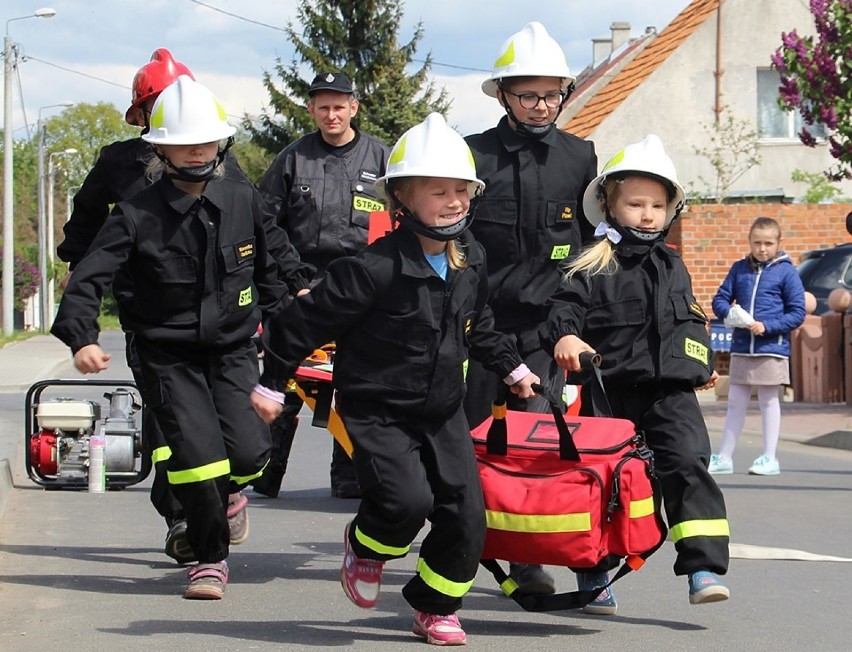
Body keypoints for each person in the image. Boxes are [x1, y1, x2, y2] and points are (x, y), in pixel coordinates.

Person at [251, 113, 539, 646]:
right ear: (402, 201)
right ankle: (366, 546)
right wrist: (271, 384)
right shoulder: (372, 269)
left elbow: (480, 326)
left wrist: (514, 368)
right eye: (439, 192)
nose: (454, 202)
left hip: (441, 409)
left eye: (462, 191)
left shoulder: (470, 258)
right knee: (406, 503)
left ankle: (436, 607)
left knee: (467, 512)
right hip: (377, 408)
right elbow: (300, 323)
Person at [55, 49, 309, 565]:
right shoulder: (123, 186)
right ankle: (196, 536)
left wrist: (301, 299)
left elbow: (268, 250)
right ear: (148, 123)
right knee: (185, 444)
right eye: (161, 111)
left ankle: (217, 498)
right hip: (160, 332)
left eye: (204, 141)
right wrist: (83, 321)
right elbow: (85, 249)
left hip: (229, 336)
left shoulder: (232, 184)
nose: (195, 152)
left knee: (241, 449)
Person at [544, 134, 731, 609]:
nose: (647, 214)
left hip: (669, 394)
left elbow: (690, 321)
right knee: (600, 484)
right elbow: (562, 310)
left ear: (671, 211)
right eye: (635, 204)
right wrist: (565, 336)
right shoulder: (589, 262)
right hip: (606, 394)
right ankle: (592, 571)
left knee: (688, 462)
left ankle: (702, 567)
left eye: (657, 205)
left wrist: (702, 363)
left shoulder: (674, 264)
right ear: (610, 206)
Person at [463, 21, 597, 600]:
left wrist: (573, 328)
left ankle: (523, 554)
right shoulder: (472, 156)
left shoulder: (581, 158)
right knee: (468, 438)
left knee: (535, 440)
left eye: (553, 94)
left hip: (546, 328)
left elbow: (594, 255)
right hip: (475, 328)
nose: (542, 106)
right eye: (528, 94)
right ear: (503, 95)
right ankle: (465, 536)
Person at [255, 71, 390, 499]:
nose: (331, 114)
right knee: (286, 380)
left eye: (339, 105)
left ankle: (348, 475)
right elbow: (265, 225)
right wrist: (293, 283)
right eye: (323, 106)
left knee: (353, 381)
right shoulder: (292, 159)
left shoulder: (381, 159)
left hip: (360, 288)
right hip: (300, 285)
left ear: (354, 107)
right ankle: (265, 469)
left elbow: (397, 224)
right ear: (311, 109)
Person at [709, 217, 806, 476]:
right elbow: (719, 300)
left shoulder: (787, 272)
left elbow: (797, 313)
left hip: (771, 349)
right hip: (742, 346)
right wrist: (729, 315)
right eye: (757, 243)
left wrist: (767, 326)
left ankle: (769, 457)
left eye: (768, 243)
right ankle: (725, 457)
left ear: (778, 243)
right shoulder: (739, 268)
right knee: (735, 402)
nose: (762, 248)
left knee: (768, 401)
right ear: (750, 242)